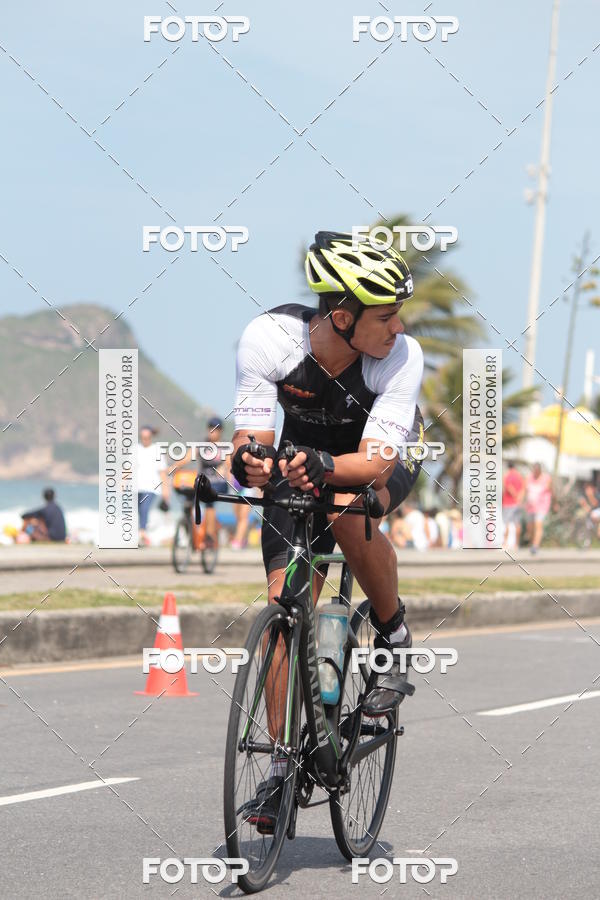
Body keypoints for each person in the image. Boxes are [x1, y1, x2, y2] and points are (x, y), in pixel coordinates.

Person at [230, 231, 424, 832]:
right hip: (301, 461)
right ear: (342, 315)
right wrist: (249, 463)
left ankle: (392, 635)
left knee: (344, 504)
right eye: (386, 316)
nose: (398, 327)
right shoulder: (269, 339)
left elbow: (375, 463)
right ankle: (281, 773)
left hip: (373, 459)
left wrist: (323, 467)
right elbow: (251, 438)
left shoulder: (399, 357)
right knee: (282, 617)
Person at [137, 425, 170, 545]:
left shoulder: (157, 450)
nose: (145, 439)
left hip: (152, 487)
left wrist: (166, 491)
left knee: (144, 508)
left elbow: (163, 472)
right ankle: (143, 533)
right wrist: (123, 483)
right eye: (143, 437)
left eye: (147, 437)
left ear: (151, 437)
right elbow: (128, 468)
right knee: (139, 510)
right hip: (137, 486)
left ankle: (142, 533)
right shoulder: (135, 449)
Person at [524, 462, 552, 554]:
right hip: (530, 506)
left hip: (542, 506)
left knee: (538, 524)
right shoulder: (529, 478)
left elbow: (551, 490)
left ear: (539, 471)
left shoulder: (546, 478)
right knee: (530, 527)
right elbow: (525, 490)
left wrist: (555, 503)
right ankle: (532, 543)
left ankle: (535, 546)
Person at [502, 461, 525, 549]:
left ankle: (505, 543)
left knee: (506, 523)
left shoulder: (507, 475)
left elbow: (508, 487)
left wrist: (515, 496)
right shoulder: (519, 476)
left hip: (509, 503)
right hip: (518, 503)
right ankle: (516, 544)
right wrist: (520, 499)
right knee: (517, 523)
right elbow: (523, 488)